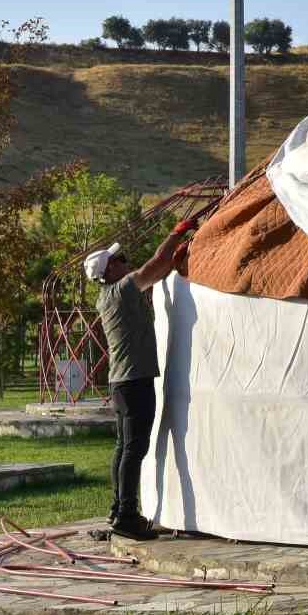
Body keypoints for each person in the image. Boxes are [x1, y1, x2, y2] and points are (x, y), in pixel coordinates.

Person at [82, 217, 196, 540]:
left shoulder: (110, 296)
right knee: (134, 448)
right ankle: (128, 516)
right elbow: (154, 265)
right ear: (110, 271)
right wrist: (175, 233)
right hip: (134, 381)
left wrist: (171, 259)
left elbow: (158, 270)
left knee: (123, 448)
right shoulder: (120, 291)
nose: (125, 261)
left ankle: (119, 509)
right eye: (120, 260)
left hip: (122, 382)